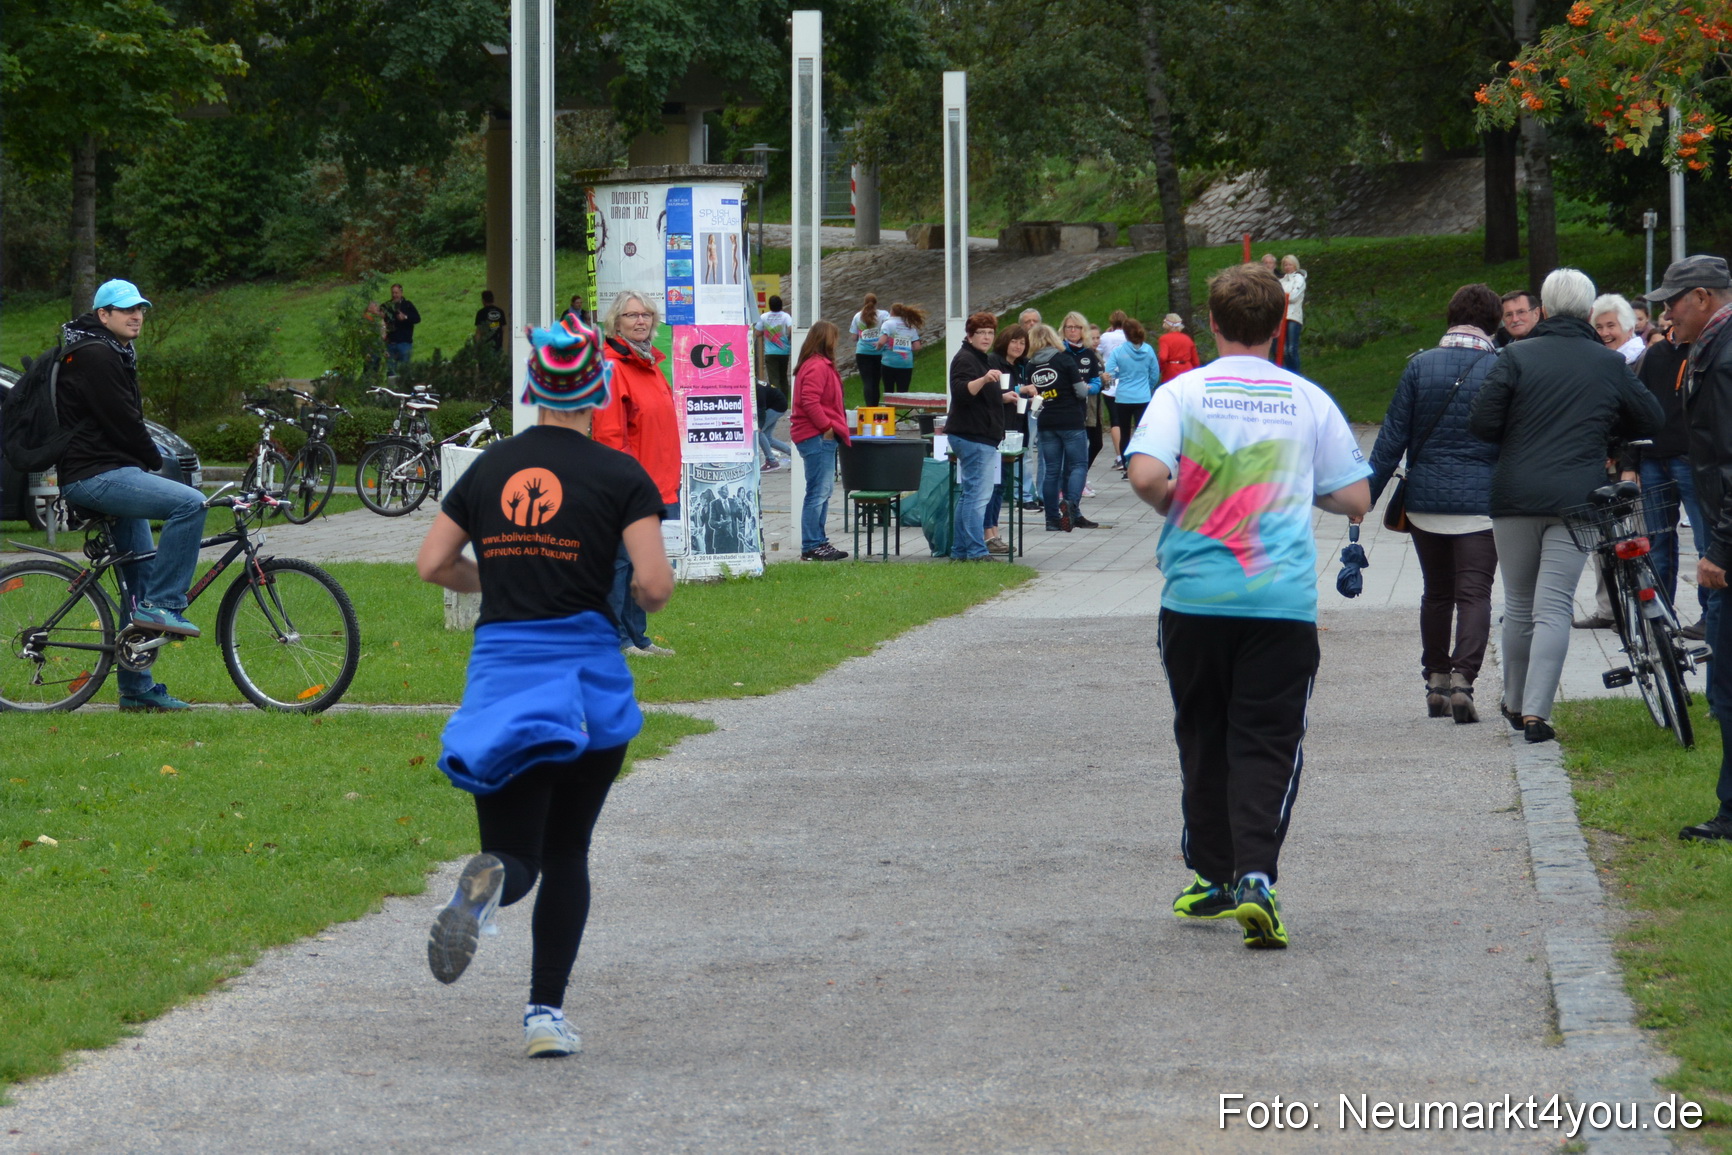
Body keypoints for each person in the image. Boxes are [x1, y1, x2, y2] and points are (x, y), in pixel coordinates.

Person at [416, 313, 673, 1059]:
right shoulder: (621, 476)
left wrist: (494, 581)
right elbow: (654, 585)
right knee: (568, 852)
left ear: (534, 389)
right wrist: (639, 594)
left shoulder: (489, 468)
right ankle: (543, 1017)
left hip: (502, 681)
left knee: (515, 852)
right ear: (598, 390)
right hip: (587, 685)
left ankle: (488, 884)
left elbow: (433, 564)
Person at [1126, 261, 1371, 950]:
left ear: (1210, 323)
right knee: (1268, 738)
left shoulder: (1182, 392)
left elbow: (1144, 473)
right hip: (1280, 601)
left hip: (1195, 598)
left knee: (1202, 733)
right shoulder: (1308, 398)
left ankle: (1211, 875)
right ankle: (1255, 877)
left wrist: (1176, 503)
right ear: (1280, 324)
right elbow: (1356, 496)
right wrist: (1294, 485)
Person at [1468, 268, 1663, 743]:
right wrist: (1607, 431)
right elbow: (1651, 418)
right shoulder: (1608, 362)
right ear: (1591, 312)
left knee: (1519, 604)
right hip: (1579, 497)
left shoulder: (1516, 356)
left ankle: (1514, 702)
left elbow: (1482, 423)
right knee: (1554, 605)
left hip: (1515, 495)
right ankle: (1538, 713)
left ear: (1544, 310)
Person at [56, 279, 208, 713]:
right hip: (95, 476)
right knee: (190, 503)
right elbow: (123, 420)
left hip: (111, 471)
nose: (136, 316)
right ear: (103, 315)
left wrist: (143, 461)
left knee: (140, 578)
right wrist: (155, 460)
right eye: (125, 310)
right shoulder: (96, 354)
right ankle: (165, 606)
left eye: (140, 309)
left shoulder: (110, 350)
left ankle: (137, 689)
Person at [1366, 284, 1503, 723]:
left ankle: (1436, 680)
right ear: (1495, 323)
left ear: (1450, 317)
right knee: (1475, 593)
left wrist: (1365, 496)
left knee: (1437, 593)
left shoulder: (1420, 366)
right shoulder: (1502, 369)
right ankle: (1464, 680)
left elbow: (1391, 440)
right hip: (1481, 504)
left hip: (1425, 501)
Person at [1646, 255, 1732, 841]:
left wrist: (1720, 548)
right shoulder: (1711, 348)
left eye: (1673, 303)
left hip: (1729, 542)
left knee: (1726, 685)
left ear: (1702, 297)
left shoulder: (1723, 357)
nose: (1666, 315)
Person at [593, 291, 680, 657]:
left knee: (640, 566)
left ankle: (638, 637)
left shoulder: (650, 364)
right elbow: (610, 436)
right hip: (631, 487)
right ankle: (615, 639)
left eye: (646, 314)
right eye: (631, 315)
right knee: (620, 563)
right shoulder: (613, 368)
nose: (640, 321)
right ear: (616, 323)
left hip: (661, 484)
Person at [1624, 320, 1702, 628]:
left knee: (1705, 543)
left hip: (1691, 459)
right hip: (1654, 459)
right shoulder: (1655, 354)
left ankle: (1710, 617)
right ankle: (1660, 618)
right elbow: (1636, 410)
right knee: (1657, 544)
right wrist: (1631, 463)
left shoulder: (1705, 349)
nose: (1670, 314)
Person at [790, 321, 851, 561]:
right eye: (834, 338)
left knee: (822, 491)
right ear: (826, 339)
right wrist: (826, 427)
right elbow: (810, 400)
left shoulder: (814, 364)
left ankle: (819, 542)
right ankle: (812, 544)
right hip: (816, 435)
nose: (836, 342)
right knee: (818, 491)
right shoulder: (817, 366)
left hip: (816, 434)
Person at [948, 312, 1007, 560]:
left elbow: (982, 398)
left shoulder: (980, 358)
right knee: (977, 497)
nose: (986, 337)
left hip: (978, 435)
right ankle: (976, 551)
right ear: (970, 335)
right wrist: (983, 379)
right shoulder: (966, 359)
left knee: (969, 496)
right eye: (981, 332)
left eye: (990, 333)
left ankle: (960, 550)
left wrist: (1003, 397)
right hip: (973, 436)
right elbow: (961, 392)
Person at [1025, 323, 1095, 531]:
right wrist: (1087, 387)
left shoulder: (1030, 366)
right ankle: (1071, 505)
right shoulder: (1064, 360)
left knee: (1052, 471)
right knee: (1078, 465)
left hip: (1046, 422)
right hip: (1071, 420)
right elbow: (1081, 392)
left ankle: (1051, 520)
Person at [986, 323, 1032, 554]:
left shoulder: (1022, 366)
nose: (1018, 346)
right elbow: (992, 393)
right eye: (1014, 341)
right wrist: (1019, 391)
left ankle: (994, 532)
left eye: (1022, 343)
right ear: (1005, 341)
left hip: (1015, 429)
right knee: (993, 485)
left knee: (1001, 483)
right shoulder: (994, 361)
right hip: (996, 429)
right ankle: (989, 534)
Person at [1106, 318, 1159, 475]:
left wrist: (1120, 375)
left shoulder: (1119, 351)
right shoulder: (1148, 350)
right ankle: (1142, 465)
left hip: (1123, 397)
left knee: (1124, 433)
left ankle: (1126, 467)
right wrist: (1148, 387)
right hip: (1143, 397)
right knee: (1142, 433)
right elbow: (1155, 373)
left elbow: (1109, 372)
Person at [1060, 312, 1108, 481]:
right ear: (1063, 329)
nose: (1073, 330)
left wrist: (1090, 387)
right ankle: (1064, 484)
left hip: (1087, 406)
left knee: (1090, 446)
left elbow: (1096, 381)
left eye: (1077, 327)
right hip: (1063, 409)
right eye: (1069, 327)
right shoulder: (1060, 352)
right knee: (1064, 454)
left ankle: (1077, 480)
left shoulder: (1089, 353)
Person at [1097, 310, 1129, 465]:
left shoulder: (1105, 337)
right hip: (1127, 382)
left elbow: (1097, 351)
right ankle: (1129, 454)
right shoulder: (1129, 336)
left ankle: (1119, 456)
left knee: (1115, 420)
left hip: (1110, 382)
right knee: (1127, 420)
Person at [877, 302, 926, 395]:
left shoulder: (887, 324)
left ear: (891, 312)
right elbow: (917, 347)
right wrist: (906, 348)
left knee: (889, 392)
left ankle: (890, 404)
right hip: (906, 364)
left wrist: (878, 347)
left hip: (889, 363)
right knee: (903, 393)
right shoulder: (910, 326)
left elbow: (881, 342)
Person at [850, 294, 887, 407]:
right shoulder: (884, 315)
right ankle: (875, 406)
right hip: (879, 352)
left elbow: (854, 337)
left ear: (864, 302)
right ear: (876, 302)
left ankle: (869, 407)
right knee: (876, 382)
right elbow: (889, 329)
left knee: (867, 382)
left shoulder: (857, 316)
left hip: (862, 353)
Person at [754, 295, 794, 395]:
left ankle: (776, 398)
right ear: (781, 304)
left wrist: (767, 332)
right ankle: (784, 399)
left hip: (770, 353)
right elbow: (791, 329)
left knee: (773, 378)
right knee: (783, 377)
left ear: (770, 305)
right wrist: (788, 338)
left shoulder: (764, 317)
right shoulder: (786, 316)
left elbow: (757, 333)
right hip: (784, 351)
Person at [1592, 293, 1646, 363]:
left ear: (1629, 330)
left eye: (1611, 326)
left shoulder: (1644, 360)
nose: (1604, 333)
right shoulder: (1593, 360)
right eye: (1599, 327)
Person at [1279, 254, 1307, 374]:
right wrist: (1284, 296)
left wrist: (1284, 296)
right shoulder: (1282, 281)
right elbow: (1277, 296)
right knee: (1284, 349)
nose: (1287, 267)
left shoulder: (1299, 279)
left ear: (1295, 265)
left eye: (1290, 264)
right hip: (1282, 317)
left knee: (1291, 348)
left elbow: (1293, 296)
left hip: (1293, 316)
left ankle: (1296, 374)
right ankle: (1289, 373)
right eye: (1285, 265)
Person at [385, 283, 421, 374]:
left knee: (405, 370)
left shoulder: (408, 305)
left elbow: (417, 319)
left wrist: (405, 317)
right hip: (390, 344)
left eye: (396, 293)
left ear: (401, 293)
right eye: (393, 293)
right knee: (391, 372)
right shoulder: (387, 306)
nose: (394, 295)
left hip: (404, 343)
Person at [1157, 313, 1200, 383]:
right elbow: (1196, 361)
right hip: (1188, 369)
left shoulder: (1164, 339)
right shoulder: (1187, 338)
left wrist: (1161, 368)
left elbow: (1163, 357)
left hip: (1171, 371)